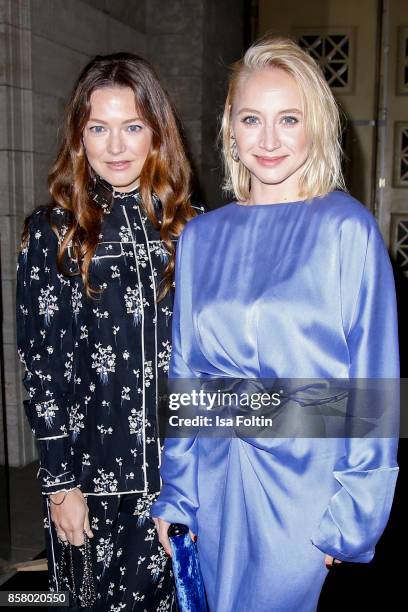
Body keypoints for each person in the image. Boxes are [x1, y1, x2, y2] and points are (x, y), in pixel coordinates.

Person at [151, 37, 400, 612]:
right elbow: (185, 371)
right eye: (252, 119)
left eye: (288, 119)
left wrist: (355, 512)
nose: (268, 139)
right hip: (215, 483)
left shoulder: (348, 230)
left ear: (314, 125)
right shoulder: (201, 237)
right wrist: (177, 493)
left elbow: (374, 385)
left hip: (307, 490)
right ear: (230, 129)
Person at [16, 52, 202, 611]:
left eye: (132, 127)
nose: (116, 146)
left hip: (176, 484)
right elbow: (40, 366)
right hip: (89, 488)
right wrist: (59, 485)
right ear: (79, 135)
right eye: (99, 128)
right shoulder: (52, 233)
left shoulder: (189, 228)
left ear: (156, 134)